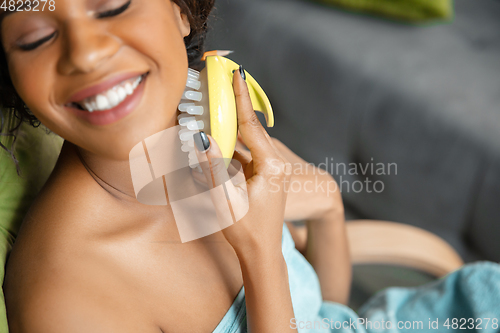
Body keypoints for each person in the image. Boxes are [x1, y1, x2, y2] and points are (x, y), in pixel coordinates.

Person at [1, 1, 499, 332]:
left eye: (111, 5)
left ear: (178, 12)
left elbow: (326, 313)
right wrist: (260, 251)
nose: (87, 54)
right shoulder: (66, 296)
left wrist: (324, 201)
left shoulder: (204, 127)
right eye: (34, 37)